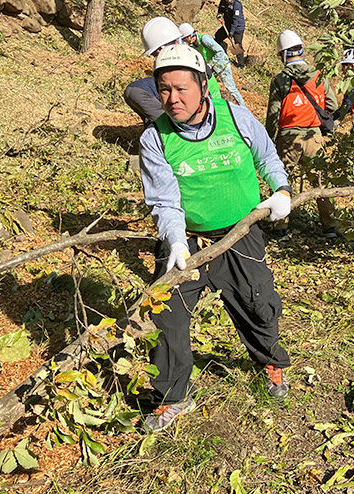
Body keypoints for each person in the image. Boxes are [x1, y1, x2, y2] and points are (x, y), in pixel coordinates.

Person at [138, 44, 293, 431]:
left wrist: (282, 190)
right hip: (188, 240)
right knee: (167, 316)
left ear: (203, 86)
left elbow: (268, 157)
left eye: (181, 89)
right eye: (164, 90)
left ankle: (271, 363)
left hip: (241, 234)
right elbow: (165, 200)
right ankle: (174, 397)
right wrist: (174, 241)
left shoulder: (236, 118)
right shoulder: (155, 139)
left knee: (258, 301)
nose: (172, 99)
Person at [265, 30, 339, 239]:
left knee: (281, 181)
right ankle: (330, 227)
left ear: (283, 55)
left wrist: (268, 139)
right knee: (321, 183)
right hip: (314, 138)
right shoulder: (319, 76)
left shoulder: (280, 80)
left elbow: (273, 113)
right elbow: (332, 106)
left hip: (288, 138)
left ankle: (280, 228)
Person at [124, 17, 221, 125]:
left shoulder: (189, 62)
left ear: (161, 49)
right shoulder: (184, 58)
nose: (156, 58)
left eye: (156, 54)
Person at [179, 23, 245, 107]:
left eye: (184, 39)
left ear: (189, 36)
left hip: (222, 65)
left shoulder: (204, 39)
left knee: (231, 88)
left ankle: (243, 107)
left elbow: (220, 51)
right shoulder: (193, 46)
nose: (184, 41)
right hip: (212, 68)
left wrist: (210, 65)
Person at [215, 0, 246, 68]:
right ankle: (222, 52)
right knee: (218, 36)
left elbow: (236, 20)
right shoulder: (223, 0)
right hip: (227, 25)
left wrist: (232, 32)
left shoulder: (237, 5)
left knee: (236, 44)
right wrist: (219, 14)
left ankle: (241, 64)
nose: (228, 0)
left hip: (238, 27)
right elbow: (221, 9)